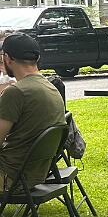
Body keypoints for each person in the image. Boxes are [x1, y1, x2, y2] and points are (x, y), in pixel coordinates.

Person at [0, 33, 66, 193]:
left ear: (7, 58)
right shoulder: (50, 87)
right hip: (34, 175)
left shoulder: (16, 92)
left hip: (9, 178)